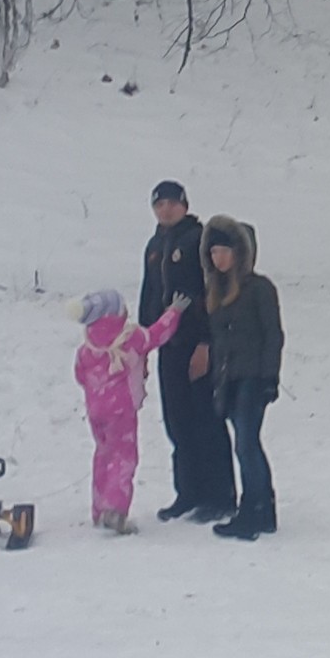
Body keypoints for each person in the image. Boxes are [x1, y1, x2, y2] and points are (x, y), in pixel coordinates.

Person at [140, 182, 235, 524]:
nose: (166, 210)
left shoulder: (198, 240)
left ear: (184, 205)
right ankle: (189, 492)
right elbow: (149, 295)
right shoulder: (155, 245)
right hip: (169, 346)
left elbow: (213, 292)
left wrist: (206, 343)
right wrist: (143, 343)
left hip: (197, 344)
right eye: (159, 204)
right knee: (177, 421)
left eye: (172, 203)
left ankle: (221, 496)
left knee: (206, 419)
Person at [70, 288, 190, 533]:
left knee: (103, 455)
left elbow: (80, 376)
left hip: (96, 411)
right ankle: (115, 510)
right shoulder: (129, 338)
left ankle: (99, 508)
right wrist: (173, 313)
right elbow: (155, 335)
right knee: (123, 457)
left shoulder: (87, 347)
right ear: (113, 314)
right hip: (121, 411)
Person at [201, 215, 284, 540]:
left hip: (253, 377)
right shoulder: (216, 291)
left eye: (224, 251)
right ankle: (260, 509)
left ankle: (255, 509)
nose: (218, 258)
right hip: (229, 379)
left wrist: (269, 377)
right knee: (246, 444)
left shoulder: (259, 288)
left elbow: (273, 335)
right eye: (213, 252)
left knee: (247, 444)